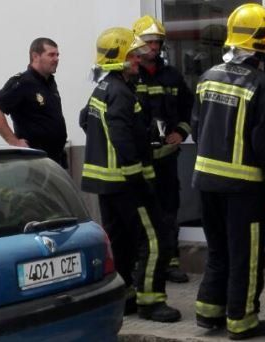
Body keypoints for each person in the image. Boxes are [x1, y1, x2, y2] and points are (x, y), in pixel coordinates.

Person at [190, 3, 265, 340]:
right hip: (243, 188)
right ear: (260, 40)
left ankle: (207, 312)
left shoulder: (206, 77)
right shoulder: (261, 85)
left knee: (217, 250)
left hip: (205, 183)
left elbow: (196, 128)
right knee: (245, 255)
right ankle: (242, 321)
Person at [79, 27, 180, 323]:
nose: (138, 60)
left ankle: (126, 297)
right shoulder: (121, 93)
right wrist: (139, 180)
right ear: (118, 59)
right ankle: (151, 301)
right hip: (127, 184)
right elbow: (123, 139)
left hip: (106, 184)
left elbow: (84, 119)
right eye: (133, 56)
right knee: (155, 239)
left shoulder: (102, 87)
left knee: (121, 243)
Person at [132, 15, 195, 283]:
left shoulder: (172, 75)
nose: (154, 47)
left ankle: (170, 261)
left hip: (167, 160)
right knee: (143, 213)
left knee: (170, 210)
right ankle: (143, 262)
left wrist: (181, 132)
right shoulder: (130, 75)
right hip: (140, 160)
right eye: (149, 42)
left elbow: (187, 107)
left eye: (158, 42)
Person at [0, 37, 68, 168]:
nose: (56, 59)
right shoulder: (23, 82)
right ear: (35, 56)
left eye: (57, 55)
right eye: (51, 55)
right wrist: (13, 141)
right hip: (34, 161)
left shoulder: (50, 82)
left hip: (55, 159)